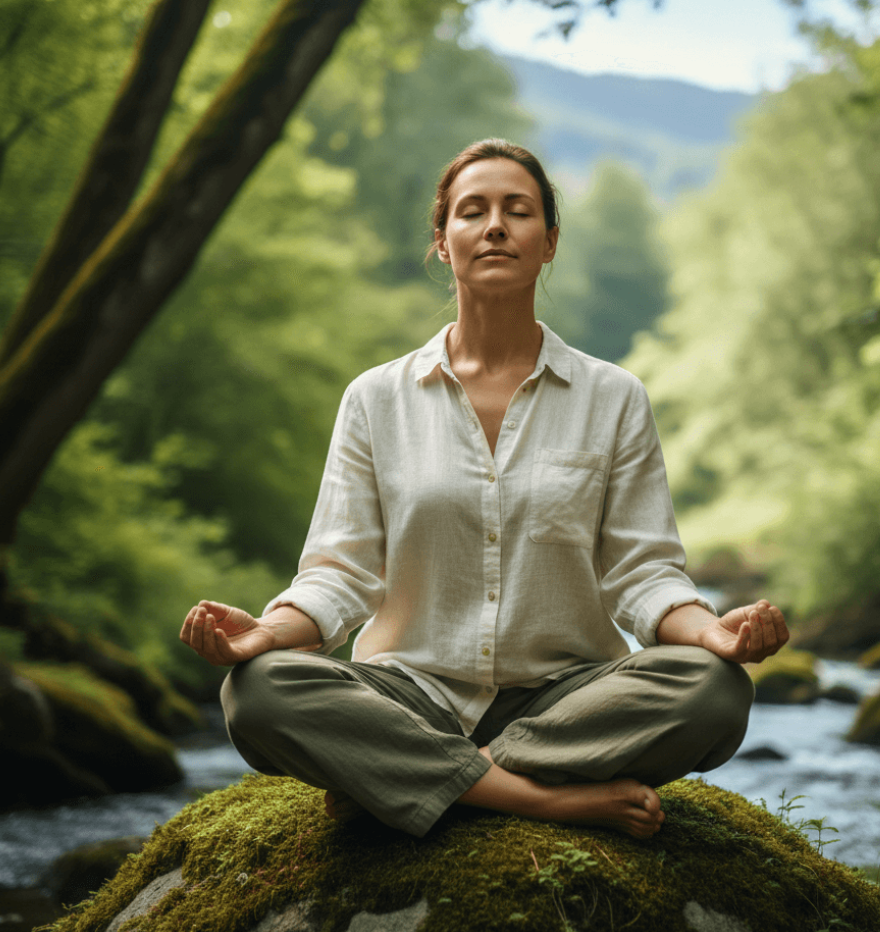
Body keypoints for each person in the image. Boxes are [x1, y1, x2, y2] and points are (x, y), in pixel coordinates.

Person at [180, 138, 789, 841]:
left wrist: (712, 633)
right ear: (443, 242)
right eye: (473, 211)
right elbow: (339, 573)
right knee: (257, 692)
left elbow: (643, 573)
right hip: (409, 692)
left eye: (518, 210)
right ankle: (540, 798)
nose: (495, 225)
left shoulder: (613, 397)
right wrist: (266, 633)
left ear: (549, 241)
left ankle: (414, 781)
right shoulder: (376, 398)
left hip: (572, 699)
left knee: (714, 690)